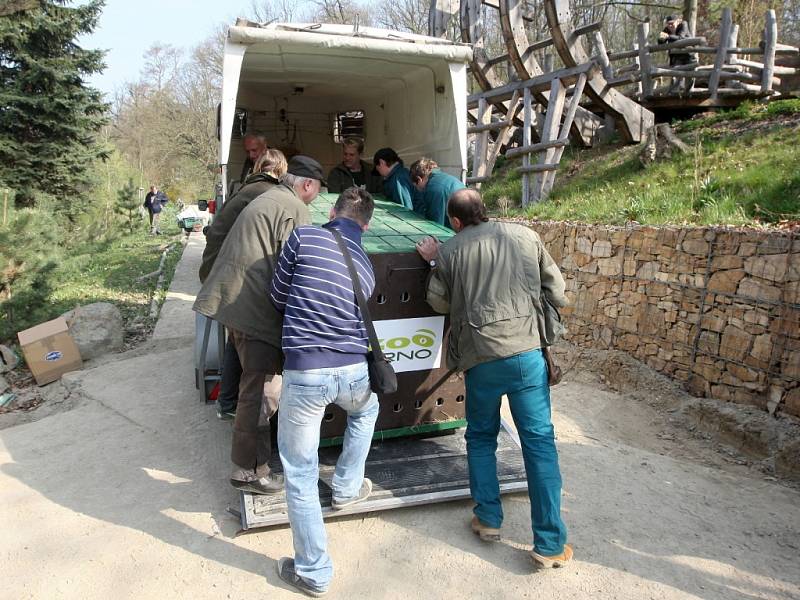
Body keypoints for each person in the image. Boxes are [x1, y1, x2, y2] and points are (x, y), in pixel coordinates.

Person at [415, 189, 573, 569]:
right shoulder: (525, 235)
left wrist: (434, 262)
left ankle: (488, 519)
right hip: (527, 357)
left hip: (480, 359)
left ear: (454, 221)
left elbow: (438, 303)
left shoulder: (450, 251)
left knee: (481, 437)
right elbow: (558, 291)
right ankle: (549, 545)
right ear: (484, 211)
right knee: (539, 444)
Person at [193, 155, 326, 495]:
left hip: (236, 303)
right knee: (263, 391)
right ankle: (250, 471)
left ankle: (249, 461)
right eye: (317, 190)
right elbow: (297, 268)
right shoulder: (294, 208)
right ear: (307, 185)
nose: (316, 198)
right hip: (253, 310)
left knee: (252, 386)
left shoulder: (267, 196)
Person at [270, 187, 378, 597]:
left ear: (332, 212)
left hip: (307, 371)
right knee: (366, 412)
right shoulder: (366, 266)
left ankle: (313, 573)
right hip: (353, 371)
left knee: (300, 472)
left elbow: (277, 294)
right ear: (364, 226)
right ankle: (347, 488)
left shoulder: (305, 236)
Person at [199, 149, 289, 420]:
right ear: (281, 172)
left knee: (235, 339)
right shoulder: (265, 192)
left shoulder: (247, 188)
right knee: (246, 341)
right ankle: (242, 409)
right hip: (232, 275)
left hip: (218, 270)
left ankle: (226, 403)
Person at [409, 157, 465, 229]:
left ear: (419, 179)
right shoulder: (444, 178)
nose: (418, 190)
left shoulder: (433, 189)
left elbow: (436, 226)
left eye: (415, 186)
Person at [373, 147, 422, 212]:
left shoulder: (398, 179)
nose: (380, 173)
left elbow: (405, 210)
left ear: (382, 162)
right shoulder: (402, 173)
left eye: (378, 169)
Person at [658, 15, 694, 93]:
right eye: (668, 24)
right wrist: (661, 38)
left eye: (672, 23)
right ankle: (677, 92)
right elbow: (660, 42)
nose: (670, 25)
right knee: (677, 73)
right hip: (676, 56)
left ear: (677, 21)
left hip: (688, 54)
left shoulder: (683, 24)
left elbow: (681, 37)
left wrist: (668, 37)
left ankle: (688, 92)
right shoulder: (666, 29)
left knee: (690, 75)